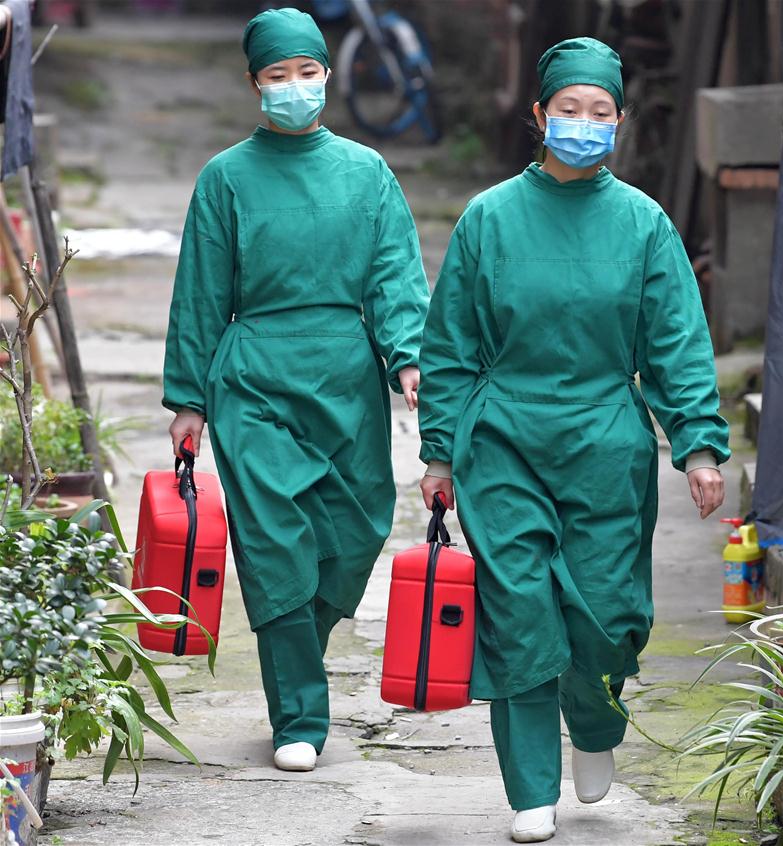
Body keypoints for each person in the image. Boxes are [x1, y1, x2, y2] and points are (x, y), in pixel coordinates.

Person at [417, 38, 730, 843]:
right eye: (568, 110)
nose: (583, 124)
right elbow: (449, 346)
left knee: (604, 615)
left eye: (599, 113)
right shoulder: (488, 218)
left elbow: (676, 344)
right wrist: (440, 451)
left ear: (619, 122)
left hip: (604, 441)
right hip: (505, 440)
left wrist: (697, 446)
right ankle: (529, 788)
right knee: (518, 609)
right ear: (539, 116)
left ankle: (593, 723)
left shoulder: (643, 224)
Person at [162, 9, 429, 773]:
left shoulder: (366, 172)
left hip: (346, 374)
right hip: (255, 378)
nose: (293, 88)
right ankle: (299, 717)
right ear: (254, 84)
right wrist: (189, 400)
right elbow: (201, 292)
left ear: (328, 74)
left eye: (305, 73)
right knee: (276, 543)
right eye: (276, 77)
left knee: (354, 532)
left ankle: (294, 659)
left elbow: (394, 277)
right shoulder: (226, 178)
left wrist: (408, 360)